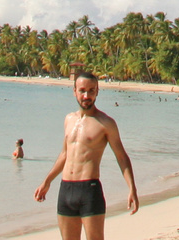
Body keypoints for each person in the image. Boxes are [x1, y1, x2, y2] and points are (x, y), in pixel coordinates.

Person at [35, 72, 139, 240]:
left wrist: (132, 188)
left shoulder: (106, 123)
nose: (86, 95)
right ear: (74, 91)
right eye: (82, 90)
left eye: (91, 91)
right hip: (66, 189)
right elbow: (64, 155)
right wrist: (47, 182)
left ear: (97, 91)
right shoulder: (68, 119)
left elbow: (122, 157)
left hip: (89, 191)